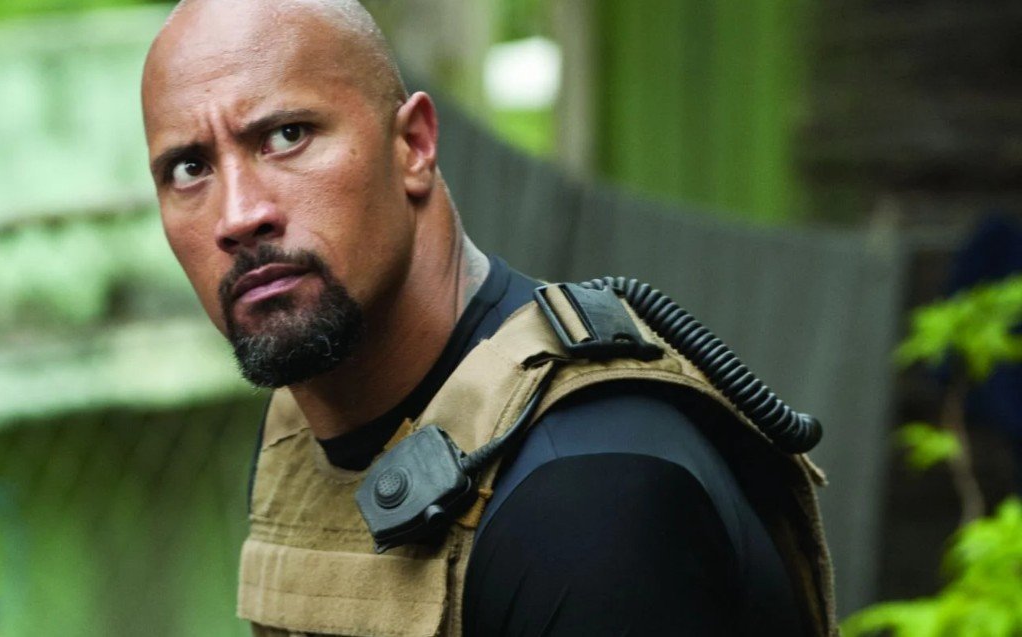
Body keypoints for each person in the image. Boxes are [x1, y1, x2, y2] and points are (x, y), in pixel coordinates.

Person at [140, 1, 834, 635]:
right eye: (189, 169)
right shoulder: (302, 429)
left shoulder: (587, 496)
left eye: (287, 135)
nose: (238, 215)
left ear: (413, 145)